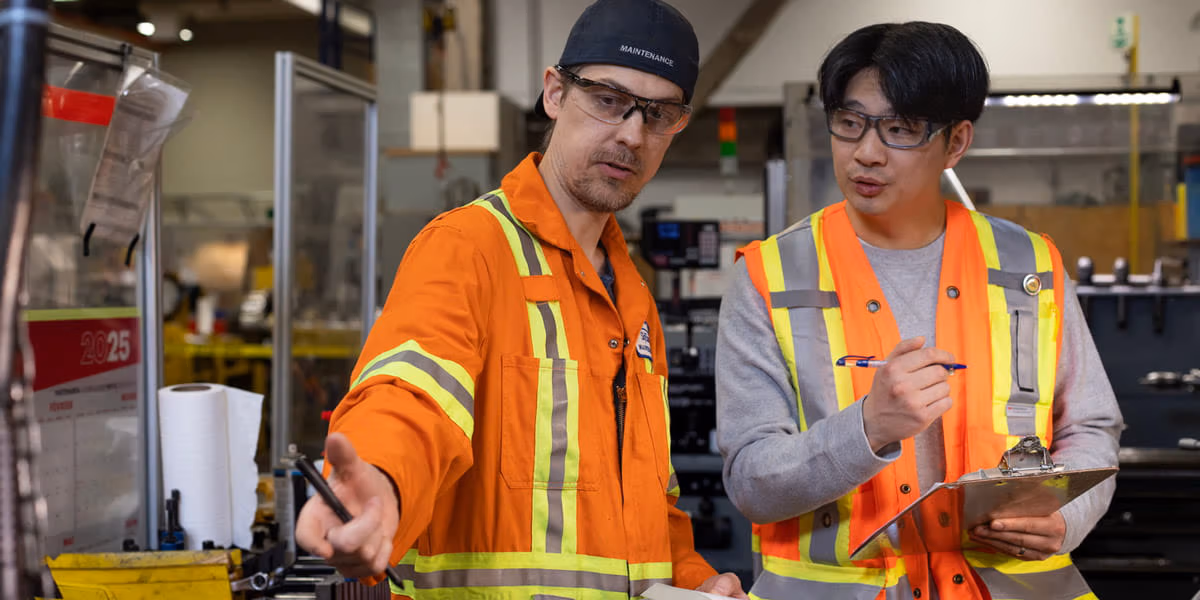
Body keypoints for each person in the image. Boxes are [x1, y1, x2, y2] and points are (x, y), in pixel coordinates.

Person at [294, 1, 747, 598]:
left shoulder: (632, 294)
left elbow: (649, 508)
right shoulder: (468, 247)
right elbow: (411, 395)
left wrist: (699, 582)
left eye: (658, 114)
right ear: (555, 94)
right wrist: (381, 482)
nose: (632, 134)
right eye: (609, 99)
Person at [716, 22, 1123, 600]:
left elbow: (1089, 426)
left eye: (900, 129)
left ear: (956, 142)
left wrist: (1066, 520)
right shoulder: (768, 277)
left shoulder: (1028, 266)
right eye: (850, 123)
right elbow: (752, 481)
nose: (866, 152)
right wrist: (869, 428)